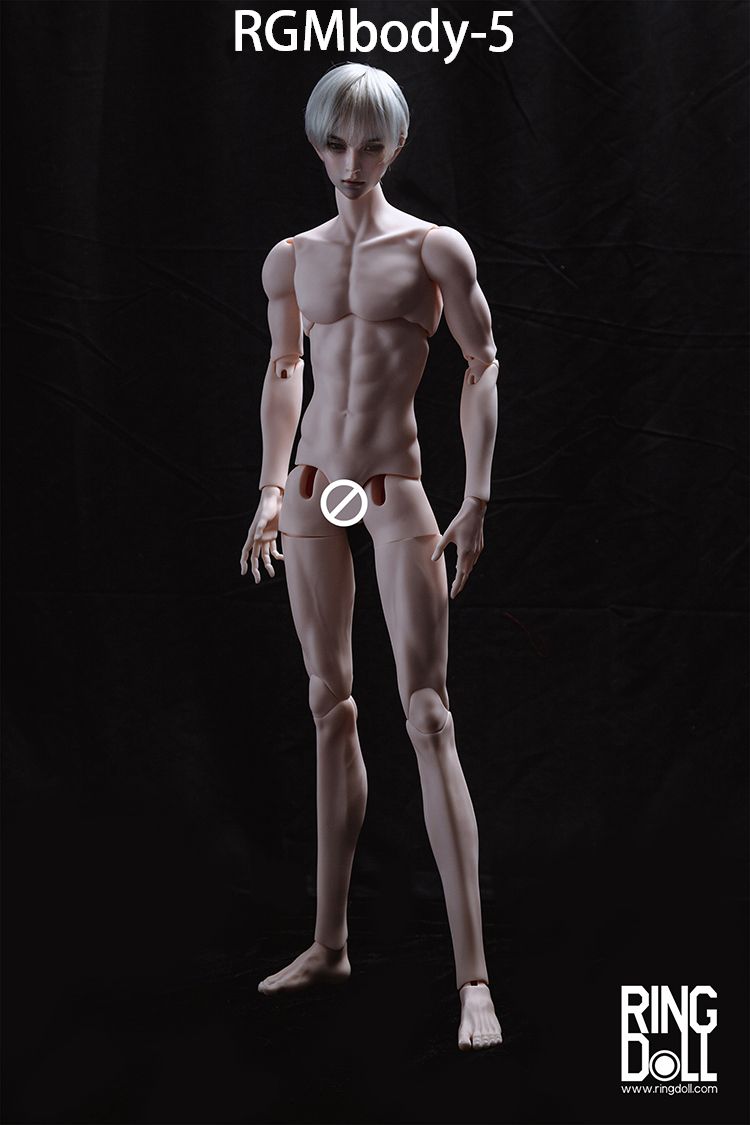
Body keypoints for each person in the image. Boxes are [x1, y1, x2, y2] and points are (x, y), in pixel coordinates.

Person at [240, 62, 502, 1051]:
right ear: (316, 143)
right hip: (313, 487)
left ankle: (474, 980)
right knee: (329, 704)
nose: (351, 162)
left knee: (427, 713)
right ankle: (329, 944)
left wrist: (476, 497)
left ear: (397, 147)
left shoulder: (433, 250)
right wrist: (269, 487)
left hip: (397, 490)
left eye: (371, 144)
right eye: (335, 143)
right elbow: (285, 366)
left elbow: (482, 361)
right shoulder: (291, 259)